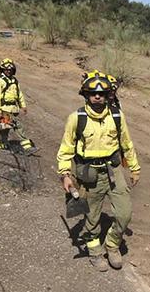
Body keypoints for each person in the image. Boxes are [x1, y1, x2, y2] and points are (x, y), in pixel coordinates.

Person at [56, 72, 140, 271]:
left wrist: (134, 168)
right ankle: (94, 251)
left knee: (124, 213)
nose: (97, 96)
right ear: (86, 95)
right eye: (93, 93)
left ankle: (112, 245)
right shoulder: (76, 118)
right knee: (92, 217)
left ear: (108, 95)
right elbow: (66, 148)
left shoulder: (117, 116)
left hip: (113, 171)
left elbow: (127, 144)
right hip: (88, 173)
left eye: (101, 94)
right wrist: (65, 174)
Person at [0, 58, 37, 155]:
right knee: (18, 126)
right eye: (6, 69)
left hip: (13, 109)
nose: (9, 71)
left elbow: (19, 94)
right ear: (2, 70)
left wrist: (23, 106)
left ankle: (2, 144)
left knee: (6, 128)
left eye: (10, 69)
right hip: (4, 109)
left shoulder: (14, 80)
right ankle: (27, 147)